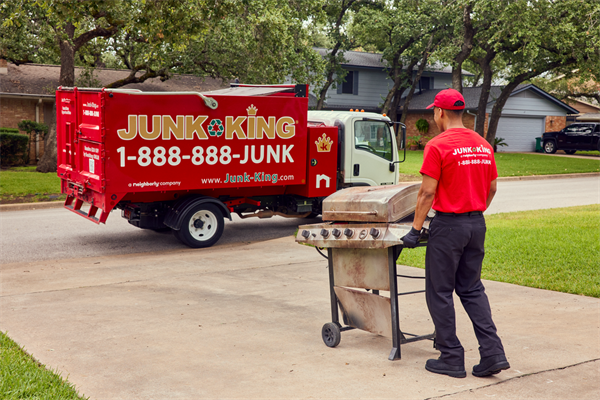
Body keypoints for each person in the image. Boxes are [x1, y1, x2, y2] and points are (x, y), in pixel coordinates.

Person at [402, 88, 510, 379]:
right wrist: (473, 213)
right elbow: (492, 188)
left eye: (434, 112)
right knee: (472, 289)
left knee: (439, 292)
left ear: (440, 113)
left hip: (448, 227)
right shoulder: (483, 145)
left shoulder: (438, 145)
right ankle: (492, 353)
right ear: (462, 112)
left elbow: (427, 192)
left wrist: (414, 230)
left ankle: (450, 357)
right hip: (476, 225)